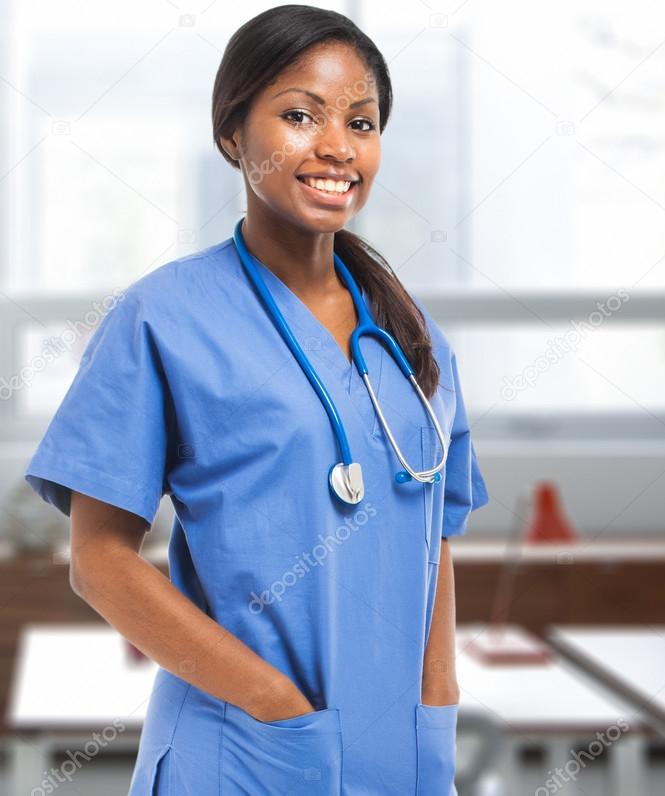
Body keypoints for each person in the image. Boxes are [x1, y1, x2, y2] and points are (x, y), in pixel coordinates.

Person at [23, 5, 488, 793]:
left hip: (401, 755)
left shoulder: (410, 333)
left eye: (362, 122)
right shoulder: (162, 317)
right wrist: (273, 703)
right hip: (246, 752)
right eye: (299, 115)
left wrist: (437, 697)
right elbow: (100, 561)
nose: (337, 147)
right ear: (232, 134)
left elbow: (434, 530)